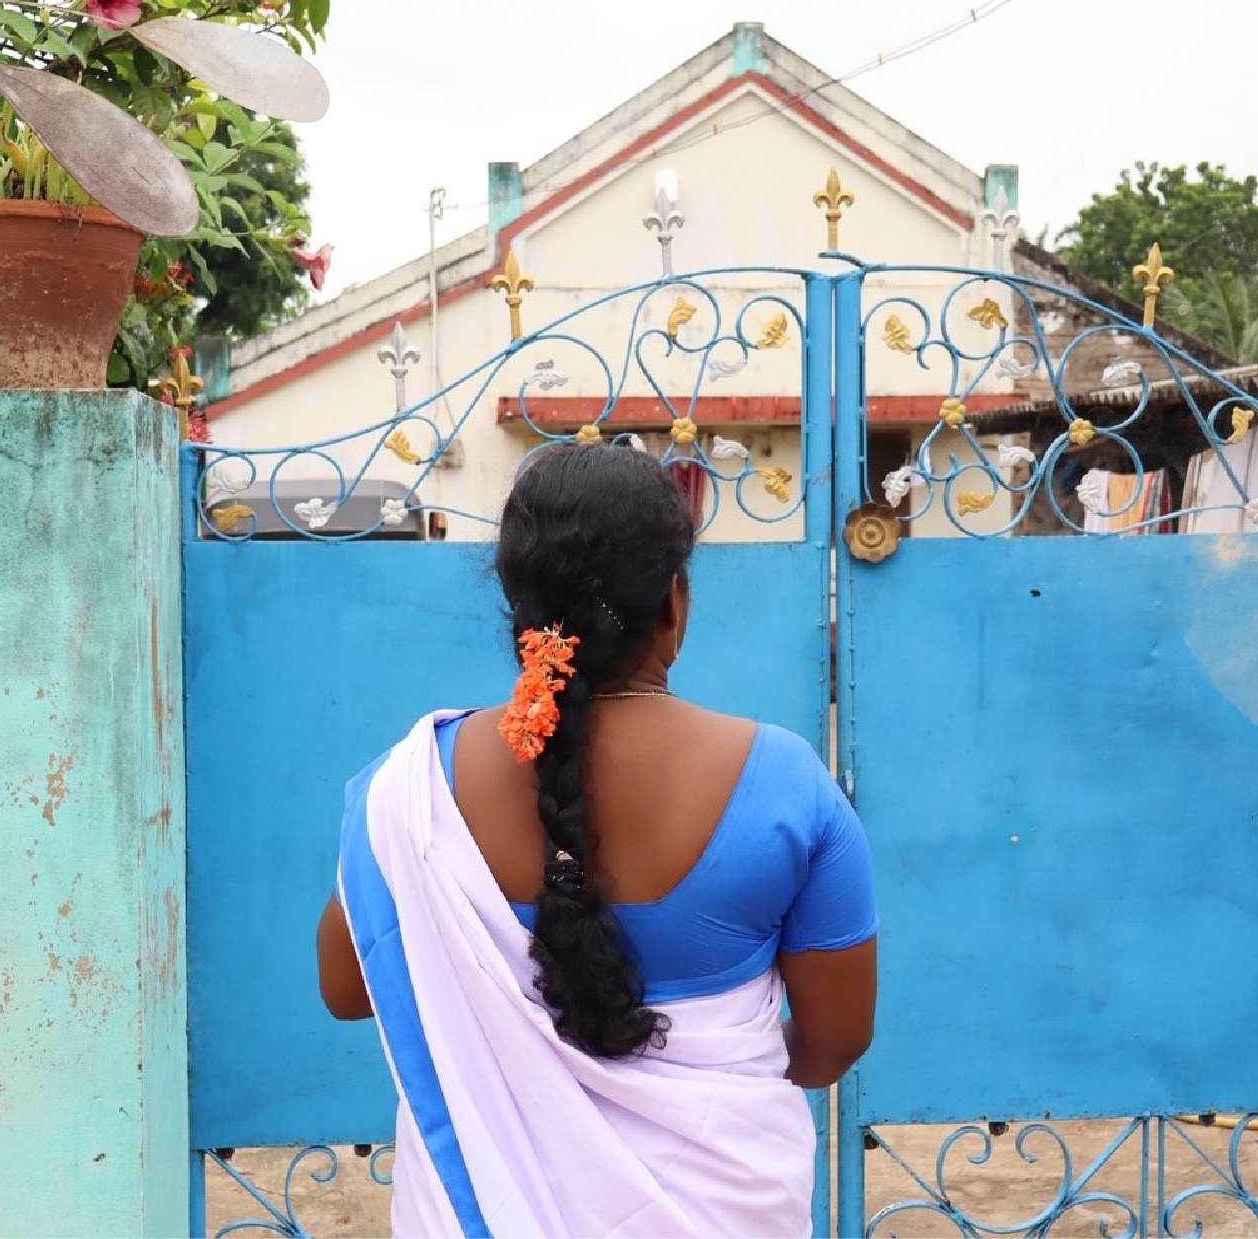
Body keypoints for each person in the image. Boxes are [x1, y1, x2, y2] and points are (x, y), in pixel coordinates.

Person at [316, 441, 878, 1238]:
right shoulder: (785, 783)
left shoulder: (407, 794)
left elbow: (346, 989)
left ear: (517, 608)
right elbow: (831, 1042)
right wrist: (696, 1088)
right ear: (672, 603)